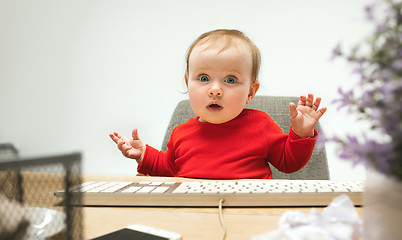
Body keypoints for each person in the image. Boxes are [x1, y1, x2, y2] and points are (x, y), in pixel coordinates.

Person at [109, 29, 327, 179]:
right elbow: (168, 168)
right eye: (203, 78)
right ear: (188, 83)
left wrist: (300, 133)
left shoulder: (261, 125)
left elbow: (288, 163)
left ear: (251, 92)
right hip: (194, 210)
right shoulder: (181, 133)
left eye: (230, 80)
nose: (215, 89)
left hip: (248, 209)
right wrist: (143, 155)